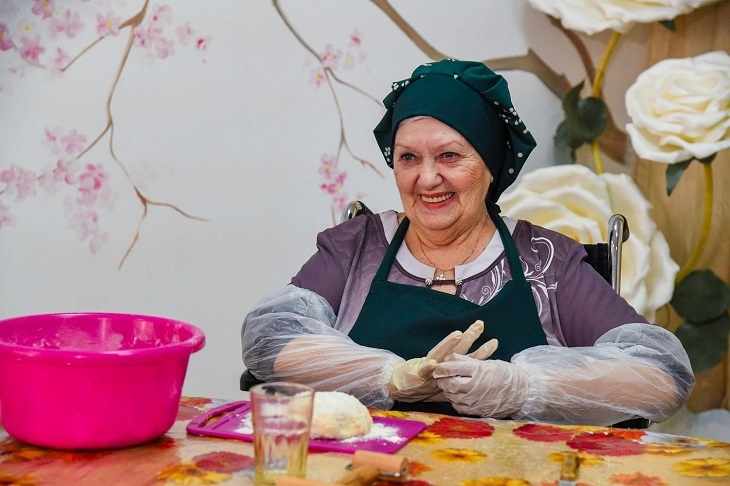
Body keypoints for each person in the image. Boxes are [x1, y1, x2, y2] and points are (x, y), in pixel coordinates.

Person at [241, 59, 694, 426]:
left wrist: (523, 387)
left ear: (490, 165)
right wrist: (387, 377)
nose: (427, 178)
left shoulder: (546, 261)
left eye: (450, 156)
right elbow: (270, 342)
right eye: (408, 158)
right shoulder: (357, 246)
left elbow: (661, 376)